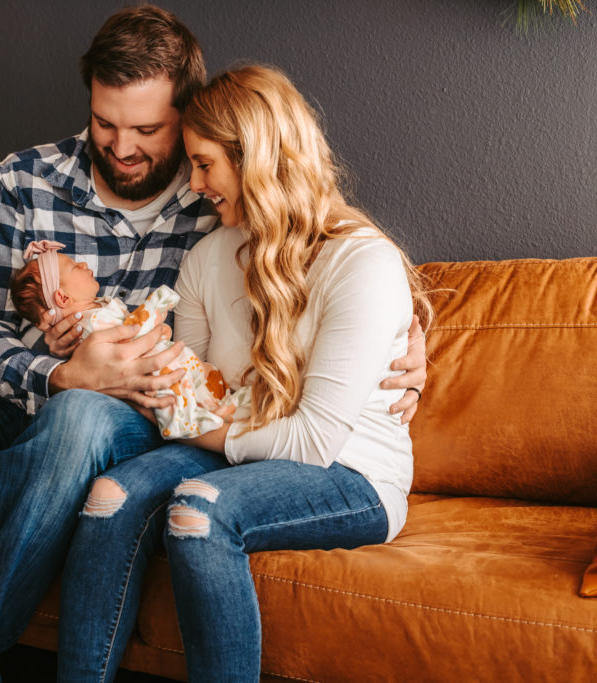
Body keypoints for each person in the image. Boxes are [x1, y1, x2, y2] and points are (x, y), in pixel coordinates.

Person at [0, 6, 428, 681]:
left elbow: (322, 254)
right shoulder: (25, 180)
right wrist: (58, 372)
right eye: (105, 124)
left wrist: (413, 329)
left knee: (83, 418)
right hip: (15, 393)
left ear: (188, 117)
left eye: (148, 130)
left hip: (119, 417)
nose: (122, 147)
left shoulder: (218, 199)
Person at [56, 64, 434, 683]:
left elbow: (312, 442)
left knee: (198, 511)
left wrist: (205, 430)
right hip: (243, 448)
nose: (196, 183)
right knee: (109, 496)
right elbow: (184, 391)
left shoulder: (361, 262)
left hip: (351, 471)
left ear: (255, 157)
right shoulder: (208, 258)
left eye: (205, 165)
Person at [10, 240, 247, 438]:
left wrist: (158, 332)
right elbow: (131, 331)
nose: (83, 264)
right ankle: (186, 421)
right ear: (62, 297)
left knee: (198, 374)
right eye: (74, 267)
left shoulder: (98, 309)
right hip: (141, 373)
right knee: (174, 387)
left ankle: (218, 405)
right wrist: (156, 305)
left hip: (148, 359)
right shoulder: (90, 321)